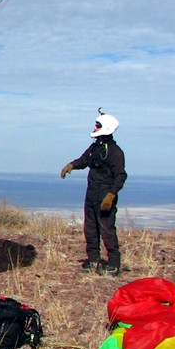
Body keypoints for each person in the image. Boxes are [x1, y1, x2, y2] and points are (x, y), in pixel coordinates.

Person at [61, 110, 127, 276]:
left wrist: (111, 195)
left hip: (105, 195)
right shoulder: (95, 147)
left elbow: (120, 176)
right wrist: (71, 165)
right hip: (91, 194)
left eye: (97, 125)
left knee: (107, 229)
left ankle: (113, 264)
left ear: (106, 127)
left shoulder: (115, 152)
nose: (94, 127)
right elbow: (84, 160)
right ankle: (93, 260)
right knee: (90, 228)